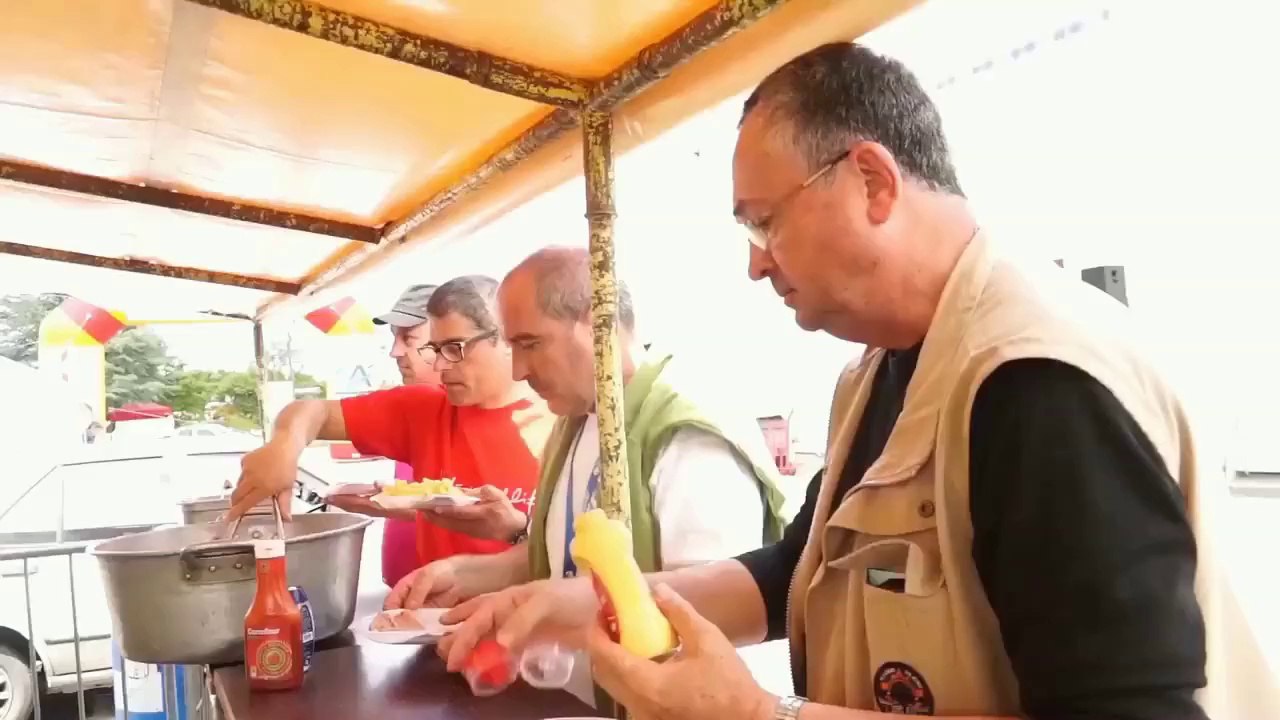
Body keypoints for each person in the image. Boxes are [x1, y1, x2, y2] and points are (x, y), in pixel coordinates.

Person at [437, 43, 1211, 720]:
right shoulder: (881, 372)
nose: (756, 262)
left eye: (764, 222)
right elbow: (794, 571)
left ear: (872, 180)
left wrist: (759, 714)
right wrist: (577, 604)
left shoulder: (1036, 381)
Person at [387, 246, 790, 706]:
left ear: (597, 323)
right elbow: (568, 559)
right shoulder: (577, 417)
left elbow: (711, 607)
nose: (519, 369)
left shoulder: (685, 433)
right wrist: (470, 574)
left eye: (530, 344)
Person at [230, 275, 554, 571]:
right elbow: (314, 411)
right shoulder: (423, 410)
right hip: (436, 624)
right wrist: (284, 447)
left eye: (455, 348)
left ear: (508, 340)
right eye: (435, 349)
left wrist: (517, 530)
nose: (440, 365)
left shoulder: (562, 423)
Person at [325, 283, 442, 588]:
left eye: (408, 338)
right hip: (403, 588)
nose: (395, 352)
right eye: (394, 338)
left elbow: (476, 513)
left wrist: (389, 505)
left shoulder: (471, 410)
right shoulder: (410, 405)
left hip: (444, 597)